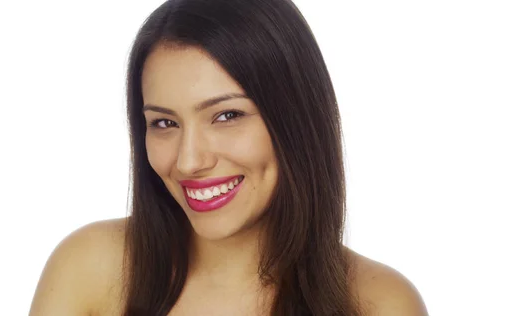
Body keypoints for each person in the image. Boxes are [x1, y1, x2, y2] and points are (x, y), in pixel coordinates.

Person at [29, 0, 428, 315]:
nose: (188, 161)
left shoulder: (379, 304)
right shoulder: (90, 267)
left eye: (227, 116)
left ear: (296, 119)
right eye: (165, 123)